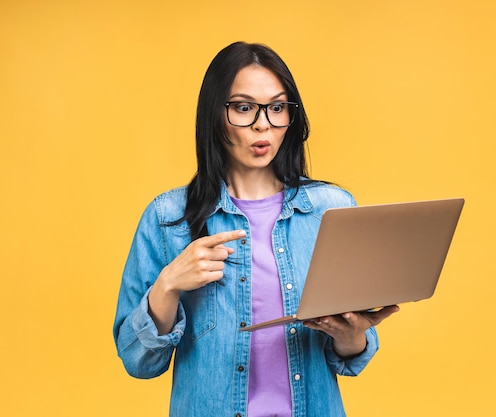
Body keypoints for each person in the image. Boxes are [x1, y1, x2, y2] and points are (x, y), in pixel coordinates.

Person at [113, 41, 399, 417]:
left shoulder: (332, 209)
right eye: (244, 108)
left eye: (277, 108)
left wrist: (351, 335)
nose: (263, 124)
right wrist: (167, 284)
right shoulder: (168, 218)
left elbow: (351, 358)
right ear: (215, 114)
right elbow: (139, 361)